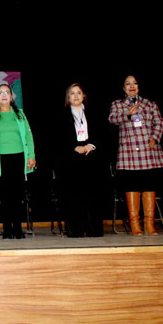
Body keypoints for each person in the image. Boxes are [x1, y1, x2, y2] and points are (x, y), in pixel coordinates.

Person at [109, 75, 163, 236]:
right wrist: (127, 114)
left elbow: (159, 122)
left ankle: (150, 224)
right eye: (127, 84)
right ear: (123, 88)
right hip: (129, 154)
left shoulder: (149, 104)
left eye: (134, 83)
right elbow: (112, 119)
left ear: (139, 87)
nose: (131, 86)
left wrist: (155, 137)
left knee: (149, 186)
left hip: (148, 152)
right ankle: (135, 224)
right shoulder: (118, 104)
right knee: (131, 186)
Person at [0, 84, 36, 239]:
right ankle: (6, 229)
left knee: (17, 195)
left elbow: (28, 136)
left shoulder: (20, 114)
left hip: (19, 158)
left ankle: (18, 229)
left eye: (7, 92)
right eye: (1, 92)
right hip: (0, 159)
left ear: (12, 97)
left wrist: (31, 155)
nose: (4, 95)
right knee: (4, 196)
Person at [55, 83, 104, 237]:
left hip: (91, 158)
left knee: (92, 195)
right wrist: (73, 147)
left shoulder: (93, 113)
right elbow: (57, 138)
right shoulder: (61, 115)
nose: (75, 96)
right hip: (71, 159)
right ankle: (74, 230)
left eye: (78, 93)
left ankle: (93, 229)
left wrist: (91, 145)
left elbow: (103, 133)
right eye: (72, 93)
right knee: (73, 196)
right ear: (68, 97)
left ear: (84, 96)